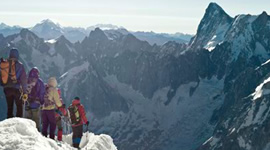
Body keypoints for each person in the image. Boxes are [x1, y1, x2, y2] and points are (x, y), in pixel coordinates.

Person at [0, 48, 27, 118]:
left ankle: (9, 120)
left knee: (10, 107)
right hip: (16, 89)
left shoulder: (5, 64)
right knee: (19, 106)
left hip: (7, 89)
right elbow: (23, 80)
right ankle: (19, 121)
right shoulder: (20, 65)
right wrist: (25, 92)